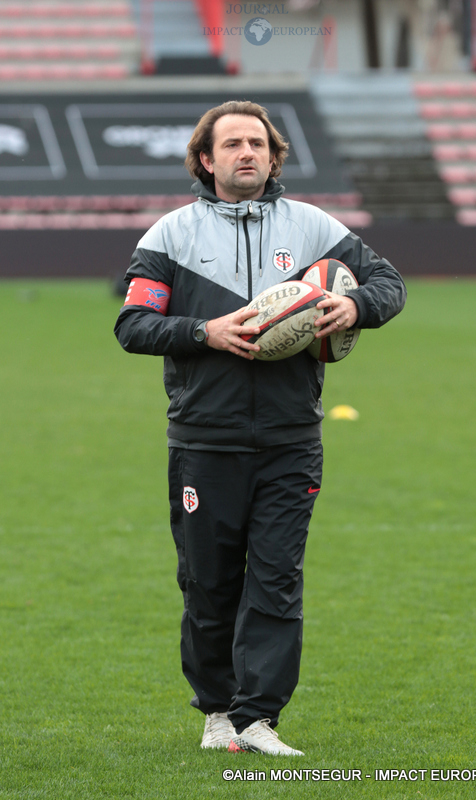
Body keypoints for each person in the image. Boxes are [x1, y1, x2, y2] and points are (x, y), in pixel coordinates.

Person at [114, 100, 406, 756]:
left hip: (290, 440)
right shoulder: (170, 235)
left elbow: (389, 283)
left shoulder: (313, 228)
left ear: (274, 158)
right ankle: (217, 712)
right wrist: (204, 331)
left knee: (276, 579)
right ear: (205, 159)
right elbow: (133, 325)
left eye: (258, 143)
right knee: (209, 583)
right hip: (203, 440)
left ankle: (257, 720)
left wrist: (355, 305)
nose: (247, 152)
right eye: (232, 144)